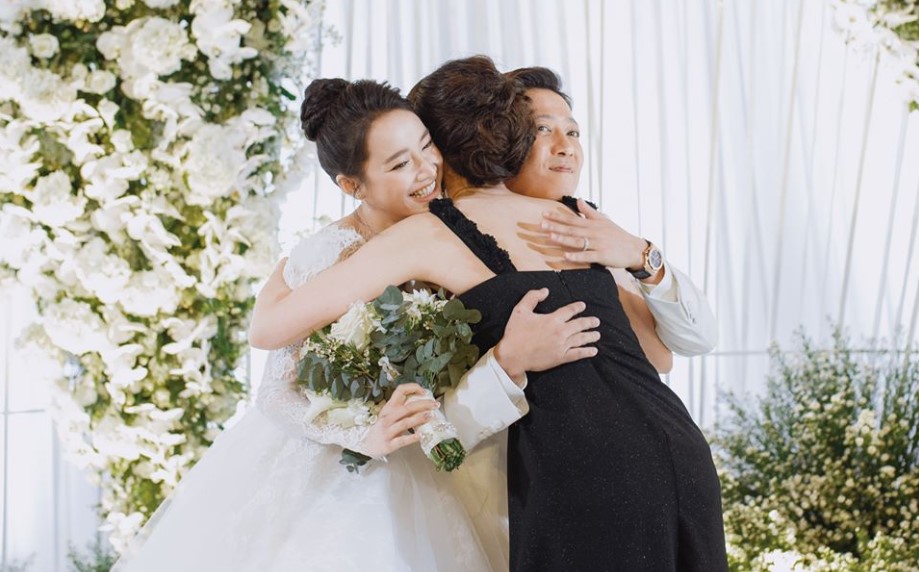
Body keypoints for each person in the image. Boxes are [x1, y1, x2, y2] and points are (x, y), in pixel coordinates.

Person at [253, 56, 728, 571]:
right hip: (678, 447)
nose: (424, 166)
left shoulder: (427, 234)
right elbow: (660, 355)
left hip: (583, 468)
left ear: (441, 143)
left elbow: (270, 330)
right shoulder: (575, 217)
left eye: (426, 146)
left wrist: (284, 275)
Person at [112, 79, 599, 572]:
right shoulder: (333, 254)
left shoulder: (452, 228)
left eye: (426, 146)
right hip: (345, 474)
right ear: (352, 186)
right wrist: (365, 433)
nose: (426, 170)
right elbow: (274, 392)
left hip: (438, 456)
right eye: (399, 164)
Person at [505, 66, 718, 362]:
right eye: (543, 129)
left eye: (572, 132)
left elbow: (691, 344)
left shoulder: (598, 231)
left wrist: (641, 256)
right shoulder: (471, 239)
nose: (566, 147)